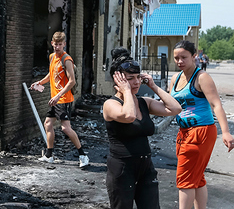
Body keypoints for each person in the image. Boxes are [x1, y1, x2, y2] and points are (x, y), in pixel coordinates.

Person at [103, 47, 182, 209]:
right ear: (117, 81)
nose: (137, 82)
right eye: (130, 78)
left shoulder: (144, 102)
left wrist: (154, 86)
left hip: (145, 168)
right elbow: (129, 116)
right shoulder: (110, 104)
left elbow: (175, 109)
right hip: (122, 170)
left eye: (139, 77)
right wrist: (126, 92)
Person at [170, 40, 234, 209]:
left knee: (185, 179)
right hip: (184, 132)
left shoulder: (201, 77)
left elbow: (216, 105)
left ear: (194, 56)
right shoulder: (175, 78)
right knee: (196, 177)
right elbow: (169, 105)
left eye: (184, 57)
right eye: (176, 58)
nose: (179, 61)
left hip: (201, 131)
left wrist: (226, 132)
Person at [30, 31, 89, 168]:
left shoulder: (66, 59)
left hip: (64, 99)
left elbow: (72, 82)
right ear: (52, 43)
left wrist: (57, 96)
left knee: (65, 128)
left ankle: (83, 155)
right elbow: (51, 75)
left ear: (64, 44)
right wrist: (39, 83)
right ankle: (49, 155)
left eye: (60, 45)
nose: (57, 47)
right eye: (55, 44)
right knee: (48, 124)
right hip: (54, 99)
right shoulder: (52, 57)